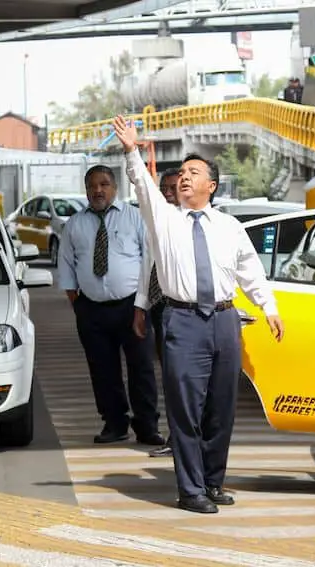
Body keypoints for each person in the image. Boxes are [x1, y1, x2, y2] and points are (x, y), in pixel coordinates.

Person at [112, 115, 285, 514]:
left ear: (212, 185)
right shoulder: (164, 220)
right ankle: (190, 490)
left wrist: (268, 307)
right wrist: (131, 150)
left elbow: (250, 270)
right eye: (182, 173)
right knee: (185, 409)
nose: (185, 178)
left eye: (194, 172)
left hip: (226, 322)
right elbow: (140, 182)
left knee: (221, 409)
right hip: (184, 322)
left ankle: (212, 481)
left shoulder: (228, 226)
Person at [58, 165, 166, 447]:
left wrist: (143, 305)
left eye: (104, 184)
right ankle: (114, 423)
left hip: (133, 306)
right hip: (91, 309)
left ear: (115, 188)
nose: (98, 190)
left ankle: (147, 426)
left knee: (141, 367)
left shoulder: (135, 217)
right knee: (102, 370)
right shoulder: (74, 225)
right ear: (86, 190)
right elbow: (67, 267)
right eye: (92, 185)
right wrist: (79, 305)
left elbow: (149, 261)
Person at [133, 167, 180, 458]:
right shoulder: (156, 224)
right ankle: (177, 437)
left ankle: (190, 440)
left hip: (185, 309)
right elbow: (147, 264)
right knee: (170, 375)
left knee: (185, 378)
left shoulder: (193, 224)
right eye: (164, 188)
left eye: (174, 188)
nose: (168, 193)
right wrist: (140, 306)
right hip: (160, 307)